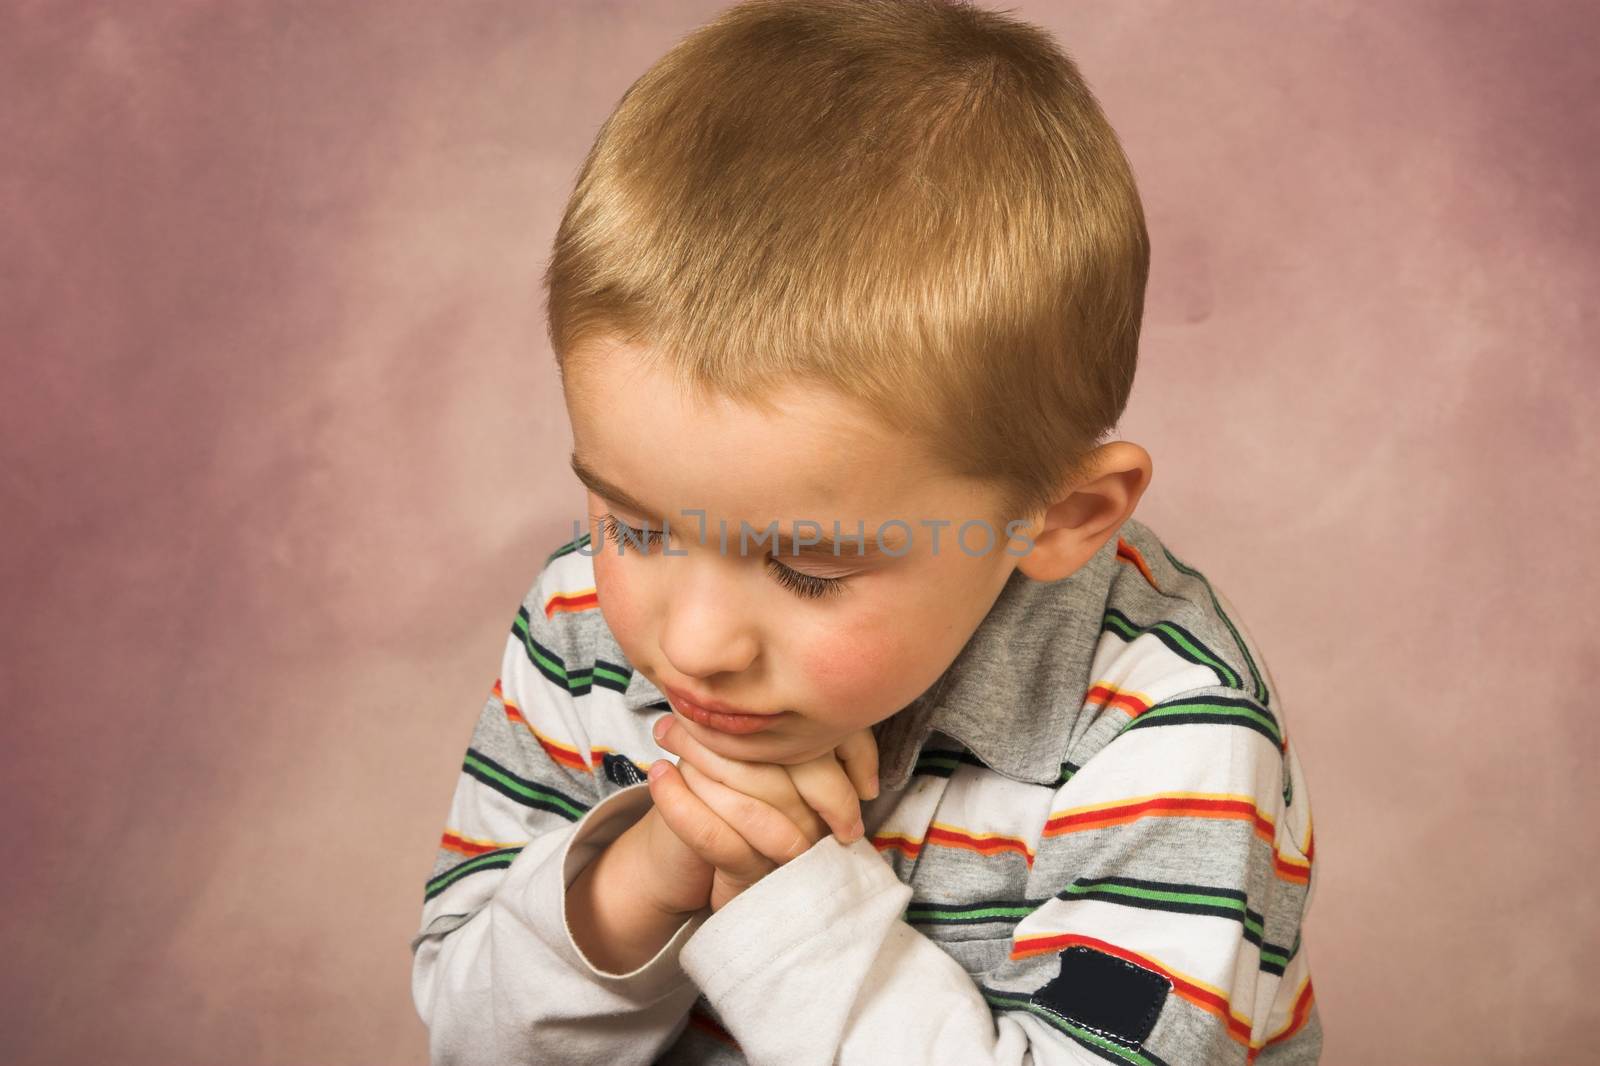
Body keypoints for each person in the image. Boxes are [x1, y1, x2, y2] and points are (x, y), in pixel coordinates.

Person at [408, 1, 1322, 1063]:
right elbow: (468, 1042)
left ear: (1059, 517)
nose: (695, 642)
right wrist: (646, 870)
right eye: (641, 529)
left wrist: (787, 899)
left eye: (804, 569)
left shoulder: (1168, 731)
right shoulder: (579, 622)